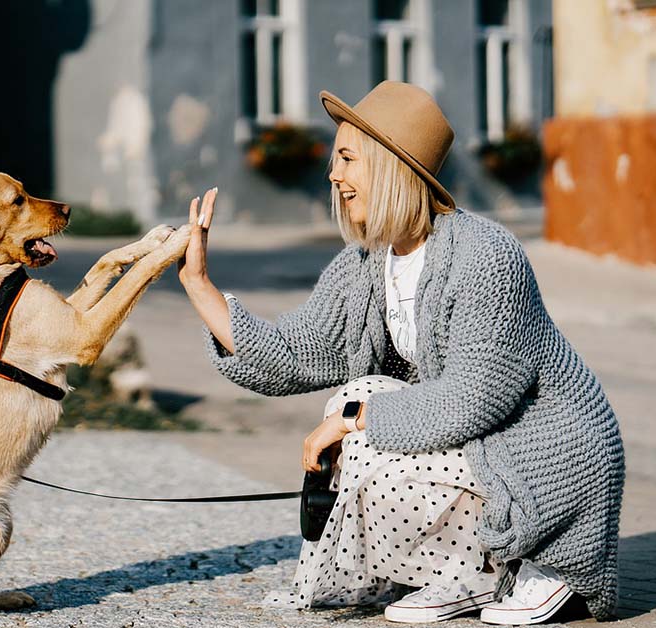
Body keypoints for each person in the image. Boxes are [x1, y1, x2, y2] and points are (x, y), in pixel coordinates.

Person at [177, 81, 624, 624]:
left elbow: (471, 400)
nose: (332, 175)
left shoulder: (486, 256)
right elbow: (296, 352)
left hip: (546, 456)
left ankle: (528, 565)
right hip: (481, 446)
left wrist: (351, 422)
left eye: (346, 159)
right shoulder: (367, 262)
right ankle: (460, 574)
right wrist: (200, 285)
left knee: (360, 419)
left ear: (390, 166)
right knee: (357, 397)